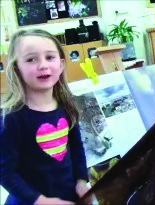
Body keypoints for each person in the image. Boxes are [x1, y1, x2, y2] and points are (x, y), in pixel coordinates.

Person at [0, 29, 89, 205]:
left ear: (62, 64)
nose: (43, 65)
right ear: (16, 67)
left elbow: (77, 148)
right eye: (31, 59)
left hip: (68, 197)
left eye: (50, 57)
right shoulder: (11, 118)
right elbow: (5, 172)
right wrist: (41, 201)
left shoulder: (66, 106)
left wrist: (81, 181)